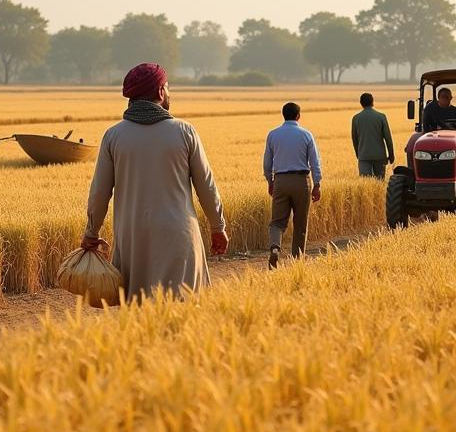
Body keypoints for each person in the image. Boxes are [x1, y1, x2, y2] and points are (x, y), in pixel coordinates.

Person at [81, 63, 228, 299]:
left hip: (132, 240)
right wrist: (217, 227)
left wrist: (91, 231)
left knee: (140, 317)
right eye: (168, 87)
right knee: (184, 310)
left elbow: (99, 193)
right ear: (161, 92)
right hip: (178, 236)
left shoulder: (113, 136)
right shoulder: (185, 131)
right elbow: (207, 187)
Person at [264, 102, 322, 268]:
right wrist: (317, 184)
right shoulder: (306, 135)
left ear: (283, 115)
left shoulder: (273, 135)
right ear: (298, 116)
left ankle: (275, 247)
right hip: (301, 181)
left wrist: (270, 181)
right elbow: (315, 162)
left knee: (277, 222)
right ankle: (297, 259)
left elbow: (267, 163)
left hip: (281, 181)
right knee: (300, 222)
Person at [351, 93, 394, 178]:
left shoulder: (356, 118)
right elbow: (388, 138)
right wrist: (391, 155)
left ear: (361, 103)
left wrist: (358, 154)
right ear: (372, 102)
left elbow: (355, 139)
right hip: (380, 156)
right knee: (380, 182)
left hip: (364, 156)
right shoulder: (381, 117)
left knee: (366, 184)